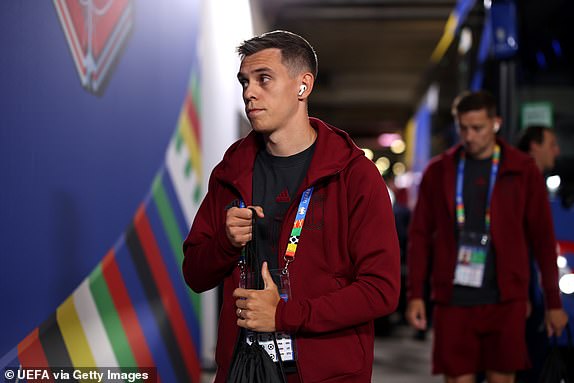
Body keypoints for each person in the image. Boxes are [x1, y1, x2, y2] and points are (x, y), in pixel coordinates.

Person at [182, 30, 400, 383]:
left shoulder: (354, 175)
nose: (249, 93)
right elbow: (194, 274)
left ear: (303, 86)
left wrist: (285, 315)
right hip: (243, 368)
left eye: (263, 79)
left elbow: (381, 291)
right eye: (244, 82)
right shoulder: (231, 172)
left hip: (325, 372)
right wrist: (225, 242)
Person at [405, 90, 568, 383]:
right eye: (463, 128)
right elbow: (419, 236)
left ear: (496, 123)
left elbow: (543, 240)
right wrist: (415, 294)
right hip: (453, 300)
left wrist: (554, 304)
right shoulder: (438, 171)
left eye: (477, 128)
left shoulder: (522, 169)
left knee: (502, 378)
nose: (469, 136)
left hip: (505, 300)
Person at [516, 125, 562, 383]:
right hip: (522, 295)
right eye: (552, 144)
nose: (557, 151)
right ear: (535, 145)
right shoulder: (525, 179)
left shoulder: (525, 178)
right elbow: (543, 245)